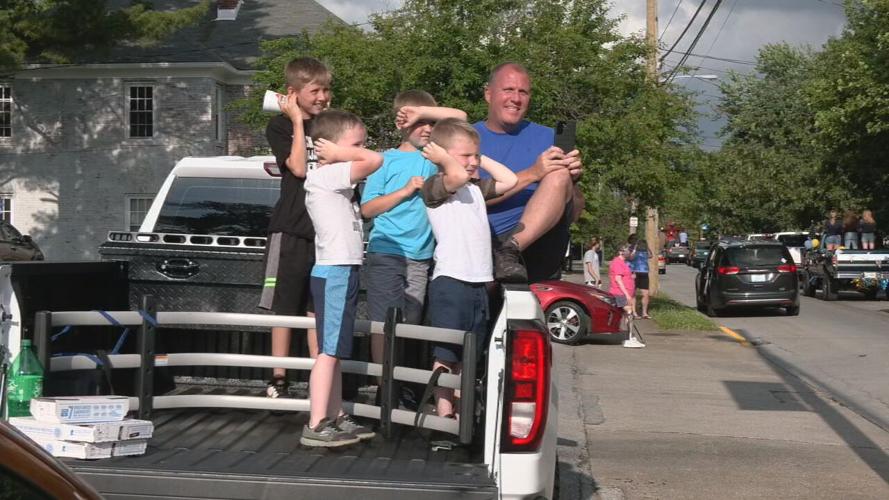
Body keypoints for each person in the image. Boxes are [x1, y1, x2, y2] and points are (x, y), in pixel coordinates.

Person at [361, 90, 467, 407]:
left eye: (431, 122)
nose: (427, 128)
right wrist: (406, 191)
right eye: (420, 123)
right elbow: (368, 209)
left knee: (408, 327)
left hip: (421, 258)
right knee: (384, 325)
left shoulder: (435, 160)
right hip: (387, 253)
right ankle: (385, 389)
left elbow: (460, 117)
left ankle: (400, 386)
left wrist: (421, 111)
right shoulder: (384, 160)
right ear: (401, 124)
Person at [420, 118, 517, 419]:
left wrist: (478, 154)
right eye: (467, 156)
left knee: (469, 355)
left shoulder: (474, 188)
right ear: (442, 156)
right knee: (446, 354)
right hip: (451, 281)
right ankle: (443, 410)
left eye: (475, 156)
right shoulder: (436, 186)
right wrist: (448, 159)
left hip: (478, 283)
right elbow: (457, 175)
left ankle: (462, 413)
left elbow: (510, 181)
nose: (473, 163)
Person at [301, 109, 383, 447]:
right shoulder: (326, 175)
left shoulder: (337, 180)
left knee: (334, 350)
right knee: (328, 351)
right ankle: (317, 423)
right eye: (354, 144)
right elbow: (374, 159)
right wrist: (339, 155)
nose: (360, 149)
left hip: (342, 270)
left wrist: (342, 152)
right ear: (329, 148)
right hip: (334, 271)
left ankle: (334, 415)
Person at [259, 56, 331, 399]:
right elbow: (299, 168)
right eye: (315, 90)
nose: (322, 97)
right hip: (288, 231)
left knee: (316, 308)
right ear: (292, 93)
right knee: (283, 306)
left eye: (326, 90)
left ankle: (321, 375)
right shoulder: (280, 127)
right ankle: (278, 378)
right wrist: (297, 122)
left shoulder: (330, 127)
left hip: (324, 233)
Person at [473, 62, 583, 283]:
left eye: (523, 92)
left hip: (538, 248)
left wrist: (572, 182)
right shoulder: (468, 138)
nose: (516, 98)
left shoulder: (548, 138)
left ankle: (511, 250)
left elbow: (575, 213)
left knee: (560, 175)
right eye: (508, 90)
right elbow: (470, 198)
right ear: (488, 94)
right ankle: (504, 257)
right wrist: (534, 173)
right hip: (484, 245)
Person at [628, 234, 652, 319]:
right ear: (631, 241)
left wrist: (647, 246)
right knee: (633, 293)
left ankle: (644, 313)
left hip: (644, 272)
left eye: (637, 239)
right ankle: (634, 312)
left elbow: (650, 255)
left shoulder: (643, 249)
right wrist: (635, 248)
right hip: (634, 272)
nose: (636, 241)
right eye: (634, 240)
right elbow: (631, 258)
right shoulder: (630, 249)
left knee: (646, 294)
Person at [608, 244, 635, 317]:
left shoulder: (623, 262)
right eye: (627, 250)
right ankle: (629, 328)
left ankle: (628, 328)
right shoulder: (617, 262)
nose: (629, 252)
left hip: (625, 293)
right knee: (628, 311)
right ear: (620, 252)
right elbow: (618, 279)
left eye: (629, 250)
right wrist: (627, 295)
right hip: (620, 293)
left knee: (626, 314)